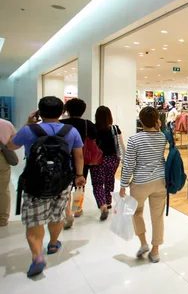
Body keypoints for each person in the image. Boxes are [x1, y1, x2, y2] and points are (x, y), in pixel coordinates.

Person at [8, 96, 84, 277]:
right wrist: (79, 175)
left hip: (34, 181)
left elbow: (10, 145)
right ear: (62, 112)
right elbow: (78, 156)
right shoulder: (70, 131)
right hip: (62, 181)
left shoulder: (29, 130)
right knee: (57, 214)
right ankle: (53, 243)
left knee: (34, 220)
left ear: (39, 112)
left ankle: (37, 256)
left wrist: (27, 123)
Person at [119, 107, 168, 263]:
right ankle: (155, 251)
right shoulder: (162, 137)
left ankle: (143, 243)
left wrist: (123, 185)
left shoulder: (134, 139)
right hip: (160, 182)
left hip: (140, 183)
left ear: (140, 121)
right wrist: (158, 127)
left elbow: (128, 164)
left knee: (136, 212)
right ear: (157, 120)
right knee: (157, 217)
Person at [60, 98, 97, 227]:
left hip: (63, 158)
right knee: (80, 184)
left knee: (65, 186)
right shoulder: (87, 124)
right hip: (83, 157)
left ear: (68, 110)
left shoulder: (61, 123)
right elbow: (95, 139)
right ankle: (77, 208)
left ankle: (67, 210)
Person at [90, 106, 125, 221]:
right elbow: (121, 144)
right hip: (113, 159)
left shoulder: (93, 129)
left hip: (97, 160)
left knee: (98, 183)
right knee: (110, 180)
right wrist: (125, 158)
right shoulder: (115, 128)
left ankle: (102, 204)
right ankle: (109, 202)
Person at [0, 118, 17, 227]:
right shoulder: (6, 124)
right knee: (3, 190)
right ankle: (2, 219)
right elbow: (13, 142)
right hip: (2, 159)